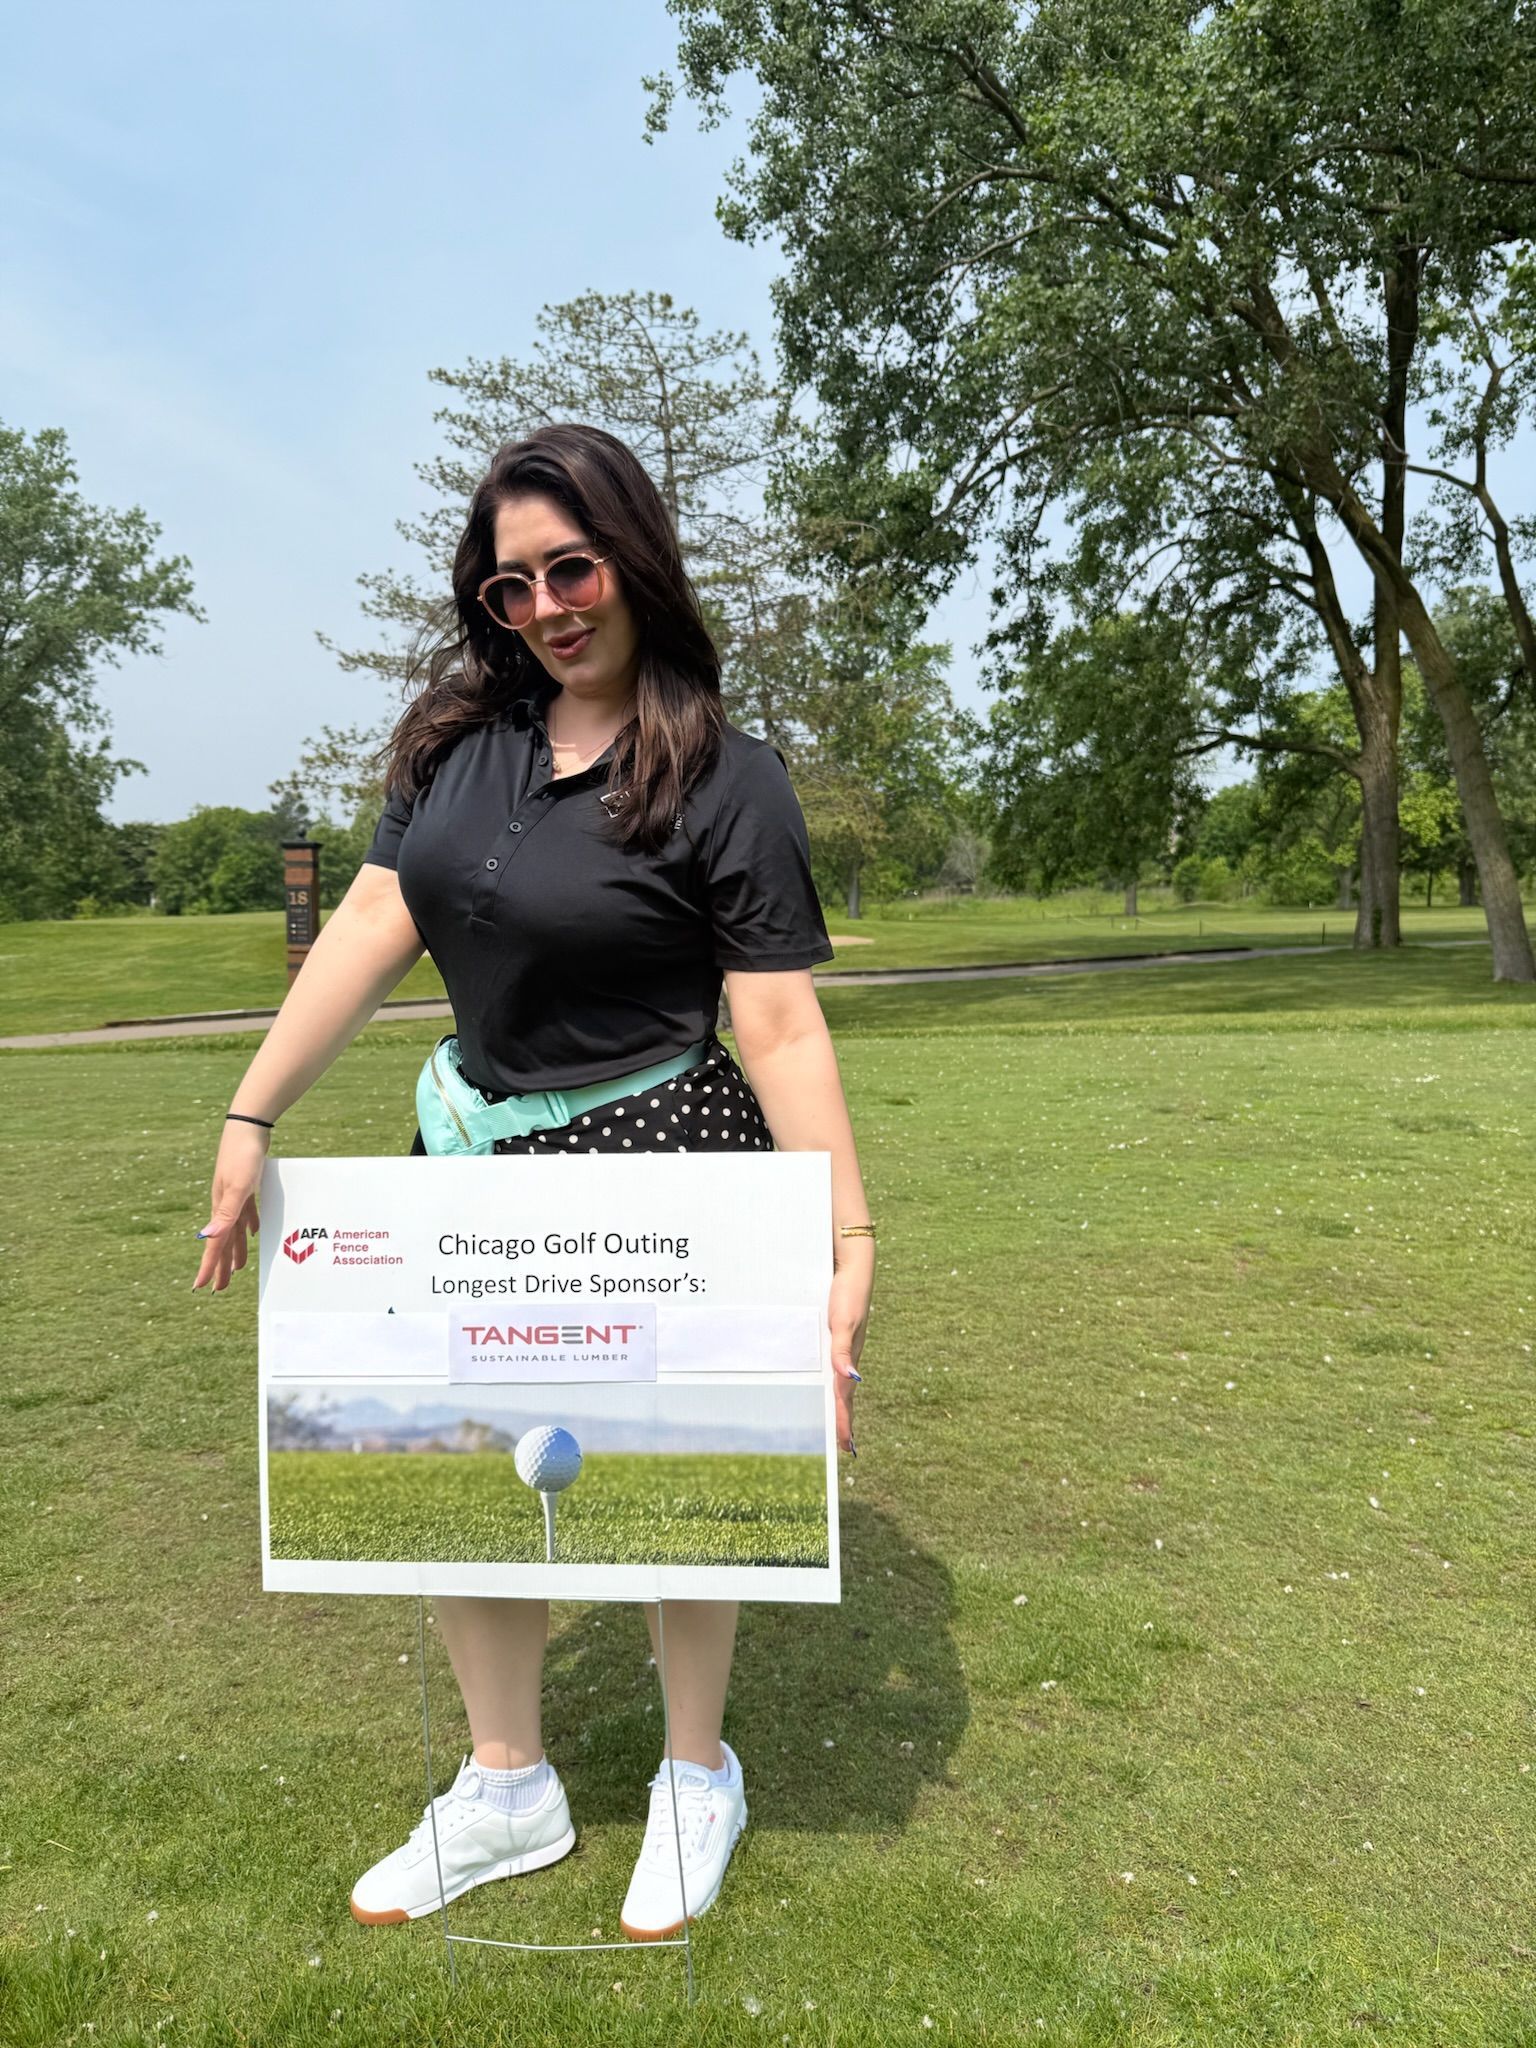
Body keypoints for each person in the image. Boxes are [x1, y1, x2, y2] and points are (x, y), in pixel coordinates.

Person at [192, 423, 875, 1941]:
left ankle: (700, 1775)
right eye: (513, 586)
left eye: (573, 567)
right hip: (468, 1168)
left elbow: (774, 1019)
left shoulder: (727, 776)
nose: (551, 605)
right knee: (455, 1481)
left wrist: (847, 1234)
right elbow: (372, 924)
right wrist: (250, 1116)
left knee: (672, 1488)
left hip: (662, 1165)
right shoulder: (452, 749)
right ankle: (510, 1788)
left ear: (634, 562)